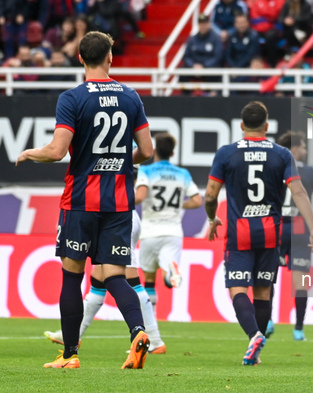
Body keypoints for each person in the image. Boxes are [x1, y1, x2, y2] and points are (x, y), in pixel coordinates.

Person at [16, 31, 154, 369]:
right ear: (110, 58)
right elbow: (148, 152)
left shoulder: (72, 97)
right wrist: (119, 161)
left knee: (72, 275)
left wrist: (31, 153)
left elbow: (57, 151)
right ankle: (138, 331)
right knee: (114, 275)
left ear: (79, 58)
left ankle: (70, 355)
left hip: (80, 201)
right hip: (120, 201)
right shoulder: (131, 96)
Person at [205, 101, 313, 365]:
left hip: (239, 232)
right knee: (263, 291)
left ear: (242, 126)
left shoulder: (226, 153)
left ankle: (254, 335)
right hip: (271, 232)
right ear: (267, 126)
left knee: (237, 289)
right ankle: (255, 349)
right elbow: (299, 192)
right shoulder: (281, 154)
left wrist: (212, 218)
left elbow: (211, 194)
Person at [44, 168, 167, 354]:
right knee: (100, 280)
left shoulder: (120, 153)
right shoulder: (127, 151)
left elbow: (56, 152)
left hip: (113, 213)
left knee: (126, 278)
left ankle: (153, 338)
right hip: (116, 212)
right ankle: (72, 334)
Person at [135, 132, 203, 307]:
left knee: (149, 279)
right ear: (172, 153)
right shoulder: (183, 173)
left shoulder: (146, 170)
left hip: (150, 231)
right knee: (166, 272)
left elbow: (140, 197)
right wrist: (179, 205)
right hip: (173, 231)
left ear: (155, 150)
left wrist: (119, 201)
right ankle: (168, 272)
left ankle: (151, 321)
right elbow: (197, 201)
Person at [276, 131, 313, 341]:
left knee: (269, 276)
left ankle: (267, 322)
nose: (305, 151)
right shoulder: (309, 172)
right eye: (303, 147)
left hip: (278, 226)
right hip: (300, 229)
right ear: (295, 149)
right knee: (300, 282)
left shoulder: (274, 167)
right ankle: (298, 329)